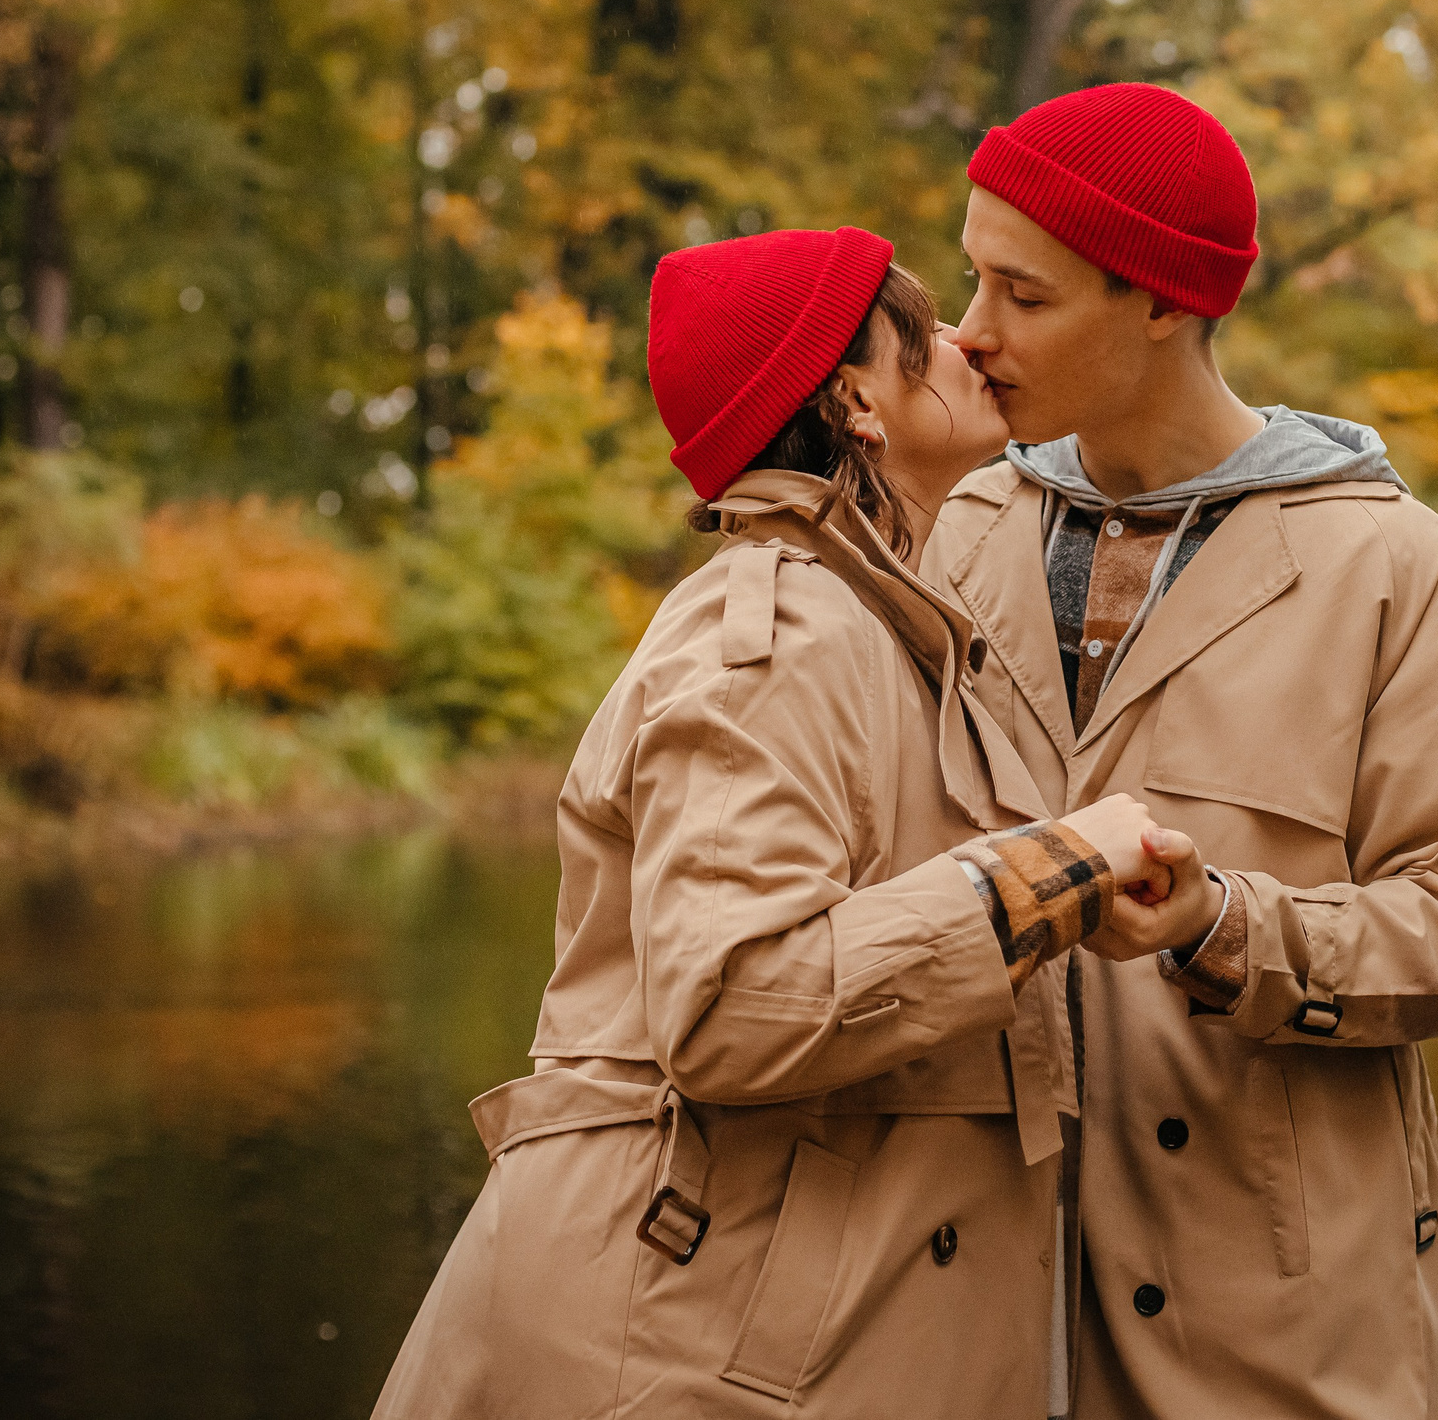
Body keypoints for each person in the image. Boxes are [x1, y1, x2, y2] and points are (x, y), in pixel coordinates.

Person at [372, 226, 1218, 1419]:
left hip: (772, 1331)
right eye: (922, 333)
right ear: (856, 401)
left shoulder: (876, 621)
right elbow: (734, 1003)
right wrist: (1046, 875)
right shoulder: (775, 636)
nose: (969, 341)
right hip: (682, 1349)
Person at [924, 84, 1438, 1419]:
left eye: (1021, 296)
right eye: (972, 280)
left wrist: (1223, 925)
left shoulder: (1398, 568)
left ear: (1160, 301)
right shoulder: (959, 527)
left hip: (1277, 1333)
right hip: (971, 1310)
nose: (971, 334)